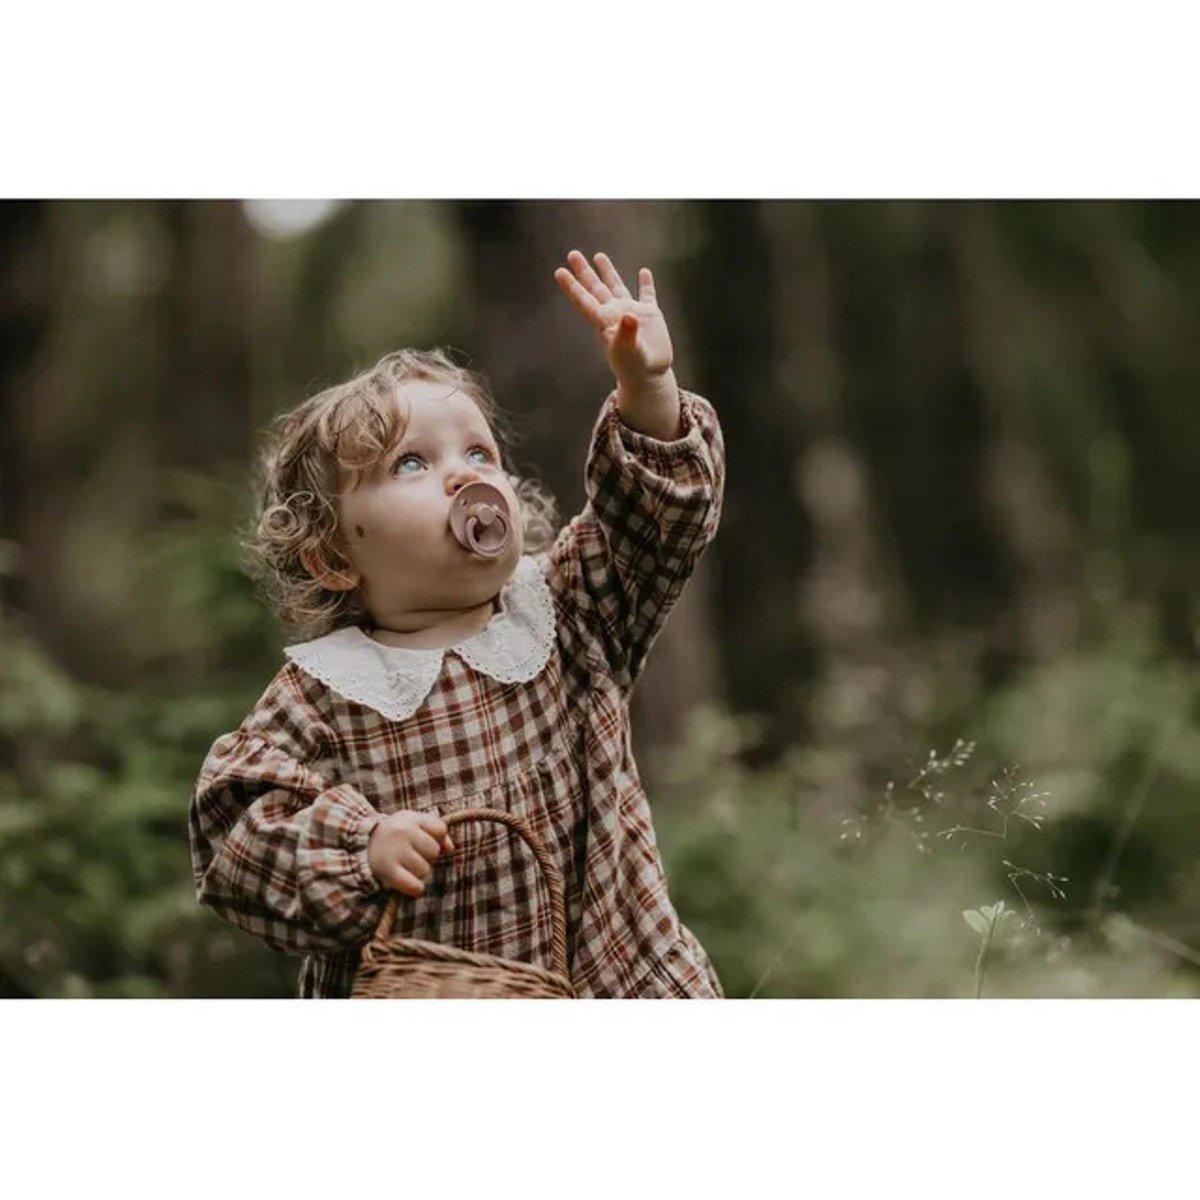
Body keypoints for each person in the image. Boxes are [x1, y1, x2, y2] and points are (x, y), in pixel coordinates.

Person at [188, 249, 727, 998]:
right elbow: (235, 833)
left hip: (618, 979)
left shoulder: (567, 610)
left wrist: (649, 390)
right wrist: (360, 847)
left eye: (480, 451)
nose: (465, 473)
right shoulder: (324, 693)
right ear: (332, 555)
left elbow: (653, 524)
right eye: (412, 463)